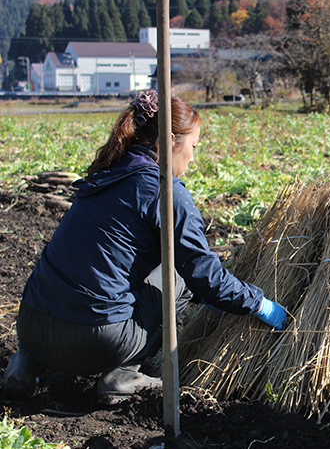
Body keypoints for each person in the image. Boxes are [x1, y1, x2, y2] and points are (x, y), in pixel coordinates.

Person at [4, 90, 287, 404]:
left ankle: (25, 365)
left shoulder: (107, 172)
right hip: (93, 342)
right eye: (193, 147)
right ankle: (123, 374)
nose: (192, 158)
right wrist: (260, 304)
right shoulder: (165, 191)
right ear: (170, 141)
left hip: (29, 325)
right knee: (176, 276)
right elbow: (204, 277)